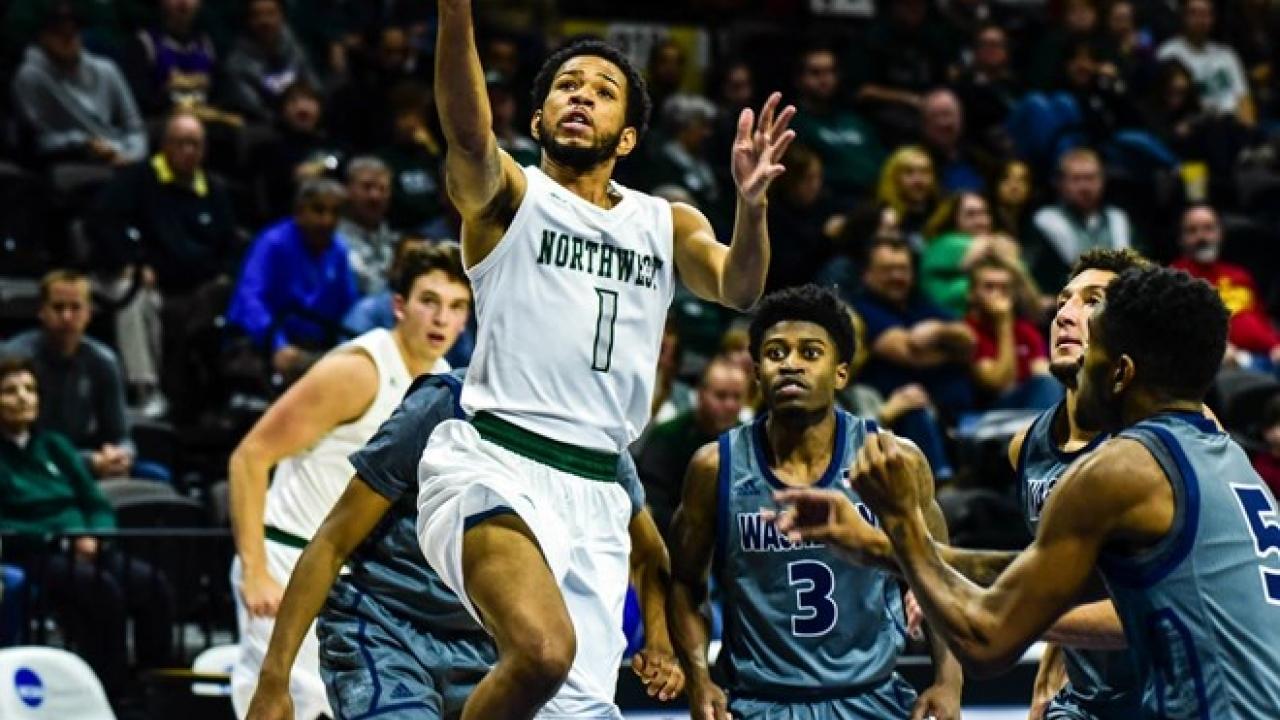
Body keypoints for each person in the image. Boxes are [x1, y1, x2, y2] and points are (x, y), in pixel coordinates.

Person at [417, 3, 794, 715]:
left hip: (598, 488)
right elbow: (467, 135)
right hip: (495, 460)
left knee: (577, 706)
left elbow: (741, 288)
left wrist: (752, 207)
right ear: (536, 121)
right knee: (542, 651)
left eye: (600, 89)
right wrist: (455, 11)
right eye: (565, 86)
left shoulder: (665, 221)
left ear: (626, 136)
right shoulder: (511, 199)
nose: (580, 95)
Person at [773, 265, 1280, 717]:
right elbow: (1038, 574)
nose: (1078, 363)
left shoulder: (1125, 466)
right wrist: (876, 547)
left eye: (1093, 354)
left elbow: (987, 642)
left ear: (1121, 373)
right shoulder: (1224, 454)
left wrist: (902, 520)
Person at [244, 369, 684, 720]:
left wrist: (660, 642)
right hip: (387, 626)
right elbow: (332, 541)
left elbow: (649, 552)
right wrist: (273, 680)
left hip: (486, 647)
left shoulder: (591, 433)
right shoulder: (445, 404)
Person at [668, 285, 964, 720]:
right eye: (775, 353)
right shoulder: (715, 467)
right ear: (757, 373)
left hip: (872, 698)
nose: (790, 364)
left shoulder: (892, 460)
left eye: (810, 353)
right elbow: (685, 584)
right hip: (759, 702)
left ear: (840, 373)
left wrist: (949, 683)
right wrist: (699, 680)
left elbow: (941, 578)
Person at [228, 244, 470, 718]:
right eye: (429, 301)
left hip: (353, 582)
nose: (442, 318)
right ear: (399, 305)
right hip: (287, 559)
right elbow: (249, 458)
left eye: (457, 306)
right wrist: (255, 570)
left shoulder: (445, 384)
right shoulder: (359, 371)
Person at [0, 355, 174, 702]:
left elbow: (95, 502)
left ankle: (156, 688)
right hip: (36, 553)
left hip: (89, 547)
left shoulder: (55, 446)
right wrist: (57, 536)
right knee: (101, 591)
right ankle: (111, 693)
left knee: (152, 585)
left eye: (30, 389)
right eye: (10, 391)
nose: (23, 398)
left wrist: (97, 535)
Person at [90, 110, 239, 417]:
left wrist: (223, 277)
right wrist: (130, 260)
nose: (188, 151)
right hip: (145, 280)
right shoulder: (137, 179)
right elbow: (102, 222)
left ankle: (228, 395)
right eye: (181, 143)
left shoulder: (214, 190)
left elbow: (229, 244)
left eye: (195, 144)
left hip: (198, 286)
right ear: (165, 145)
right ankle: (145, 390)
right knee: (134, 296)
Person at [2, 270, 136, 479]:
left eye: (75, 308)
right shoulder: (14, 359)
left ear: (88, 313)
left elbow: (120, 436)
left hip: (87, 462)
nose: (66, 317)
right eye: (58, 307)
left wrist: (120, 455)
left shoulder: (103, 362)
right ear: (42, 311)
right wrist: (88, 462)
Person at [227, 178, 358, 380]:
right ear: (299, 212)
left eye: (335, 212)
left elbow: (349, 308)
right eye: (318, 210)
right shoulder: (273, 243)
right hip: (260, 342)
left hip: (314, 348)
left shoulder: (339, 250)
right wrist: (277, 345)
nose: (327, 220)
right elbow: (250, 298)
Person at [632, 356, 749, 540]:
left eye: (737, 397)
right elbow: (652, 503)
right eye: (721, 396)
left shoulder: (751, 440)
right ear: (700, 394)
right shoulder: (668, 435)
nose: (730, 405)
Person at [1169, 204, 1280, 371]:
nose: (1201, 237)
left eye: (1208, 228)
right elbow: (1180, 328)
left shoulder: (1240, 274)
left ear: (1220, 234)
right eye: (1192, 231)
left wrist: (1276, 345)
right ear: (1181, 239)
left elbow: (1262, 318)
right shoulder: (1176, 277)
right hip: (1225, 363)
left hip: (1269, 356)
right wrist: (1215, 349)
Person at [1027, 148, 1133, 293]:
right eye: (1076, 179)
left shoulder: (1118, 218)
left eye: (1091, 178)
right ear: (1060, 183)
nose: (1085, 187)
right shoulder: (1045, 220)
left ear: (1103, 180)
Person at [965, 253, 1059, 410]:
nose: (997, 294)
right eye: (989, 287)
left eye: (1004, 288)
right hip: (985, 411)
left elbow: (1044, 374)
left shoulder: (1025, 330)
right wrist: (1004, 323)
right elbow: (997, 384)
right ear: (972, 294)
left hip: (1028, 406)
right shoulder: (968, 331)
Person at [1157, 0, 1256, 127]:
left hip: (1233, 124)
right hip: (1197, 126)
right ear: (1183, 16)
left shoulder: (1227, 54)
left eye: (1205, 14)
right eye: (1194, 13)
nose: (1200, 20)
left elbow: (1244, 98)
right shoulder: (1167, 53)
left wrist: (1248, 130)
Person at [337, 156, 400, 295]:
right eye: (367, 187)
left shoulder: (398, 242)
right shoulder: (331, 239)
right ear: (347, 189)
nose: (375, 196)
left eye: (382, 189)